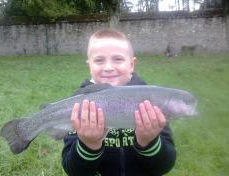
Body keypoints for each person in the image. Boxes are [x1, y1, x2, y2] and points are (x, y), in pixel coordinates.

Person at [62, 28, 176, 176]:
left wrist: (149, 142)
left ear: (131, 65)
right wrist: (89, 144)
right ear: (89, 66)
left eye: (118, 59)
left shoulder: (151, 101)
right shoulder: (78, 106)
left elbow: (164, 166)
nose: (108, 67)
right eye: (99, 60)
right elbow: (73, 171)